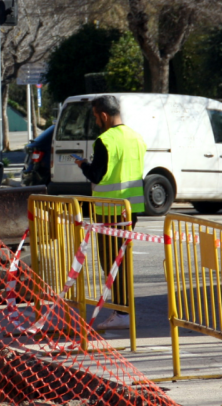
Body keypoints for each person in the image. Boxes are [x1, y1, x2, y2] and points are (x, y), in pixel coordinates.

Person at [74, 94, 145, 331]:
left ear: (104, 115)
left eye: (96, 116)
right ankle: (123, 311)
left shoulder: (105, 140)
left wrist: (83, 165)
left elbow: (97, 175)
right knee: (121, 262)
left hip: (109, 210)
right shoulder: (137, 137)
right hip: (130, 210)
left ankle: (122, 312)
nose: (96, 121)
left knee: (112, 263)